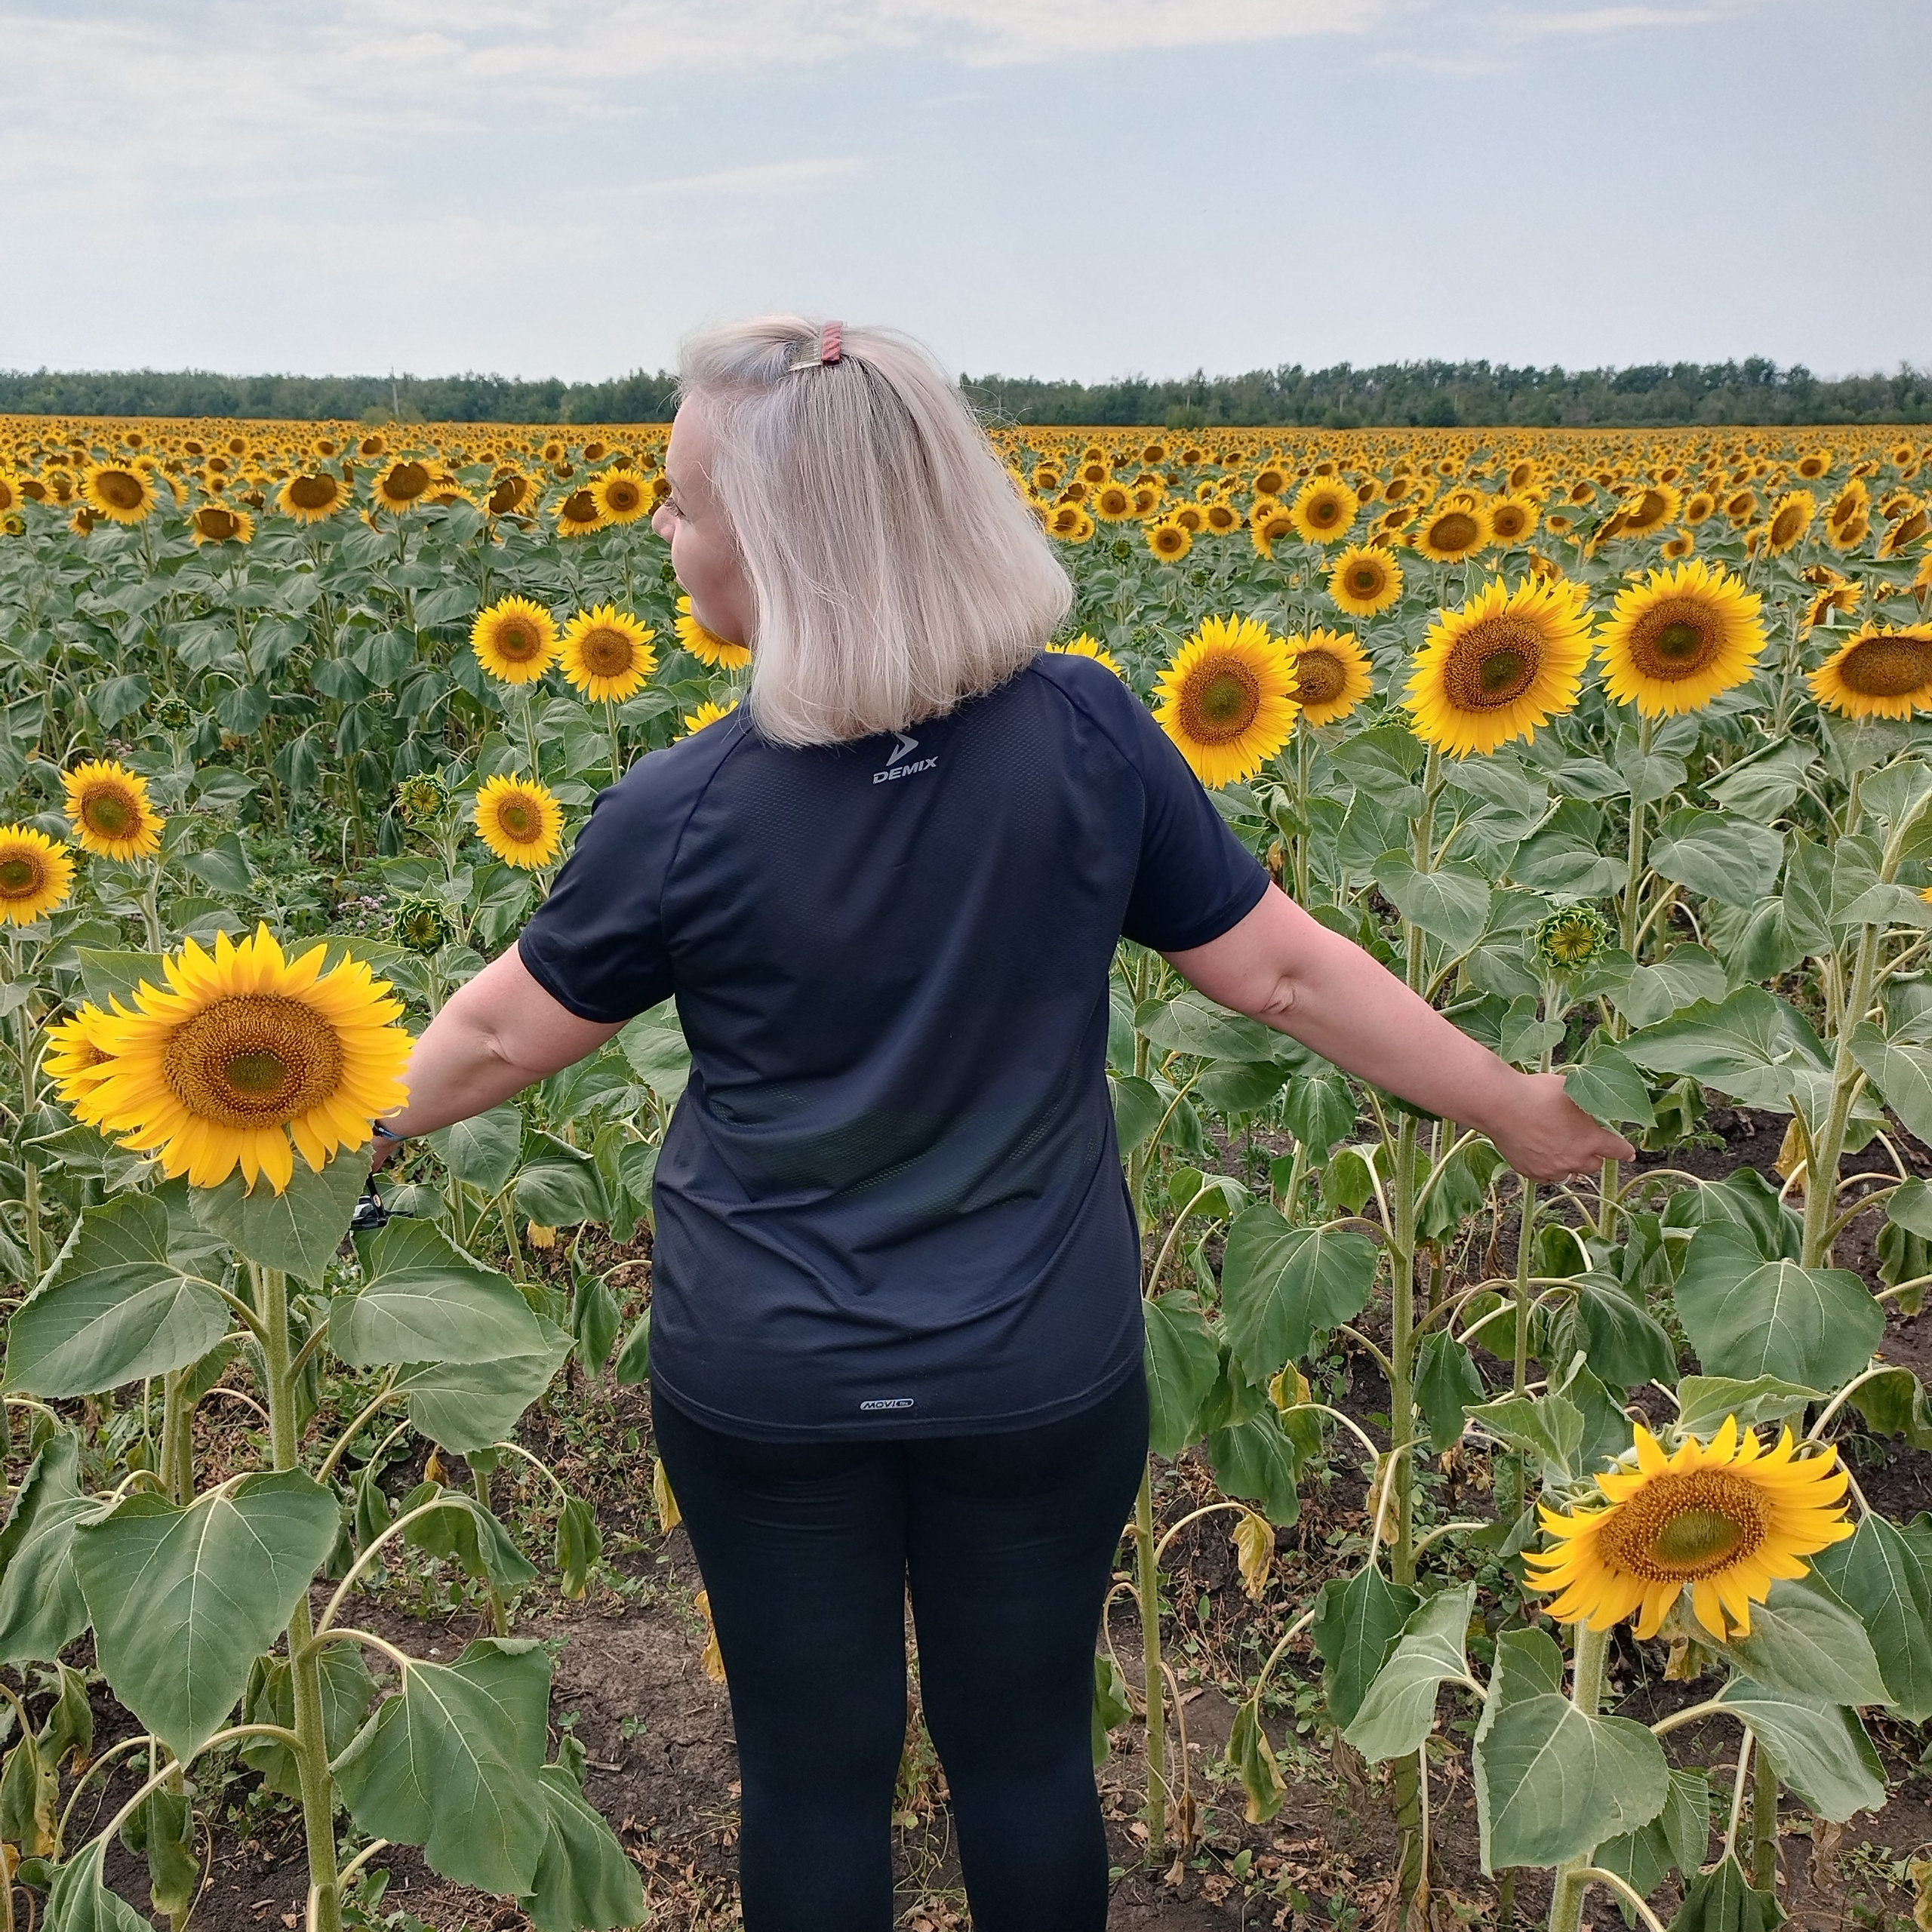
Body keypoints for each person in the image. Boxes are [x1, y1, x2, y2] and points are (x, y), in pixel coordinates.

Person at [370, 316, 1631, 1932]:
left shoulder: (687, 810)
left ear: (789, 546)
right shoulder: (1087, 737)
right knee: (1025, 1758)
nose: (660, 528)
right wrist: (1511, 1104)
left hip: (773, 1380)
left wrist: (331, 1133)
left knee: (812, 1775)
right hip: (1032, 1367)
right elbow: (1287, 975)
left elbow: (485, 1039)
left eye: (682, 501)